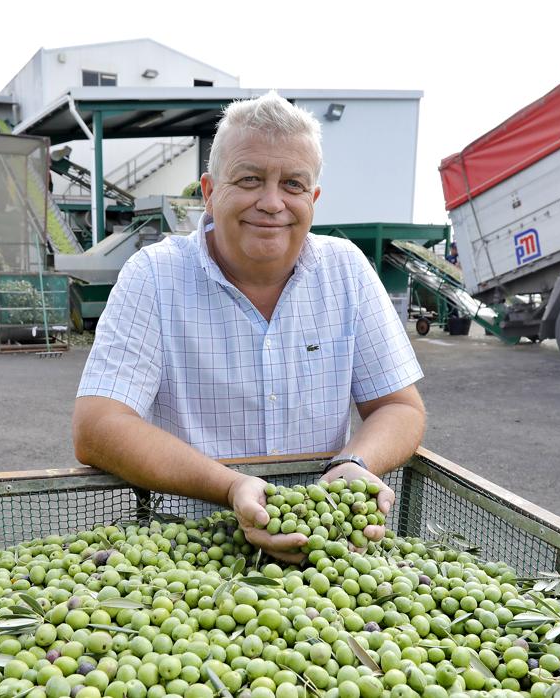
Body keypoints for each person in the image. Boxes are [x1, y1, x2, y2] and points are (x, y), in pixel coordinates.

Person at [73, 91, 426, 561]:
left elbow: (400, 407)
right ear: (209, 191)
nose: (272, 202)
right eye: (250, 179)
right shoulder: (154, 277)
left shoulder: (346, 271)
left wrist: (354, 462)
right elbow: (97, 427)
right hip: (188, 554)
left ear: (313, 199)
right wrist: (231, 487)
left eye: (293, 184)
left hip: (330, 550)